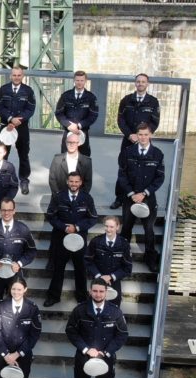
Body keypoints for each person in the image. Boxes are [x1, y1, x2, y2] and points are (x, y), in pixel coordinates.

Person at [65, 279, 129, 378]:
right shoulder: (80, 310)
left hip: (105, 358)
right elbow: (71, 331)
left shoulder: (115, 312)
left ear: (106, 292)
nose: (98, 294)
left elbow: (122, 335)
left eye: (101, 291)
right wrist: (86, 349)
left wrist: (106, 352)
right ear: (90, 291)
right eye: (95, 291)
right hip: (83, 357)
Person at [0, 198, 37, 346]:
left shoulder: (22, 229)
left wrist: (20, 263)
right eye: (3, 210)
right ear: (0, 211)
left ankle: (14, 337)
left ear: (14, 211)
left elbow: (31, 251)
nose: (6, 213)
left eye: (9, 210)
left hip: (14, 276)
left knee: (15, 306)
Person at [44, 173, 98, 307]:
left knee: (80, 268)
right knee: (58, 268)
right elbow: (51, 215)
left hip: (79, 240)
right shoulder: (58, 197)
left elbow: (93, 218)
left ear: (80, 183)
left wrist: (78, 227)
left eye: (76, 182)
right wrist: (64, 227)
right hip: (61, 238)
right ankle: (53, 296)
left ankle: (81, 297)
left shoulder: (87, 198)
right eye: (71, 181)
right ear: (67, 182)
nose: (74, 184)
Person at [118, 123, 164, 272]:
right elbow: (122, 175)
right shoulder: (128, 152)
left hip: (148, 199)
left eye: (146, 134)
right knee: (126, 228)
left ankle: (150, 258)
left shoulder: (157, 154)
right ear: (136, 135)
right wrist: (131, 194)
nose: (143, 137)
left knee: (149, 230)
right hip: (129, 198)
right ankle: (123, 257)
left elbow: (159, 178)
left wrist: (144, 193)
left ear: (151, 135)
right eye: (140, 134)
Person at [112, 73, 161, 209]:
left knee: (147, 170)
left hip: (144, 139)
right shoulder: (126, 100)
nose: (140, 84)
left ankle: (146, 197)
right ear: (135, 83)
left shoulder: (153, 101)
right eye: (138, 81)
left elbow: (155, 121)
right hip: (129, 140)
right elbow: (120, 120)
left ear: (147, 84)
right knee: (124, 168)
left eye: (143, 82)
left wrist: (143, 135)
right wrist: (130, 135)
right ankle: (119, 198)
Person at [0, 65, 35, 195]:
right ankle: (1, 179)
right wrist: (11, 118)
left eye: (19, 75)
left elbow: (30, 108)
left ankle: (24, 180)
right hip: (6, 126)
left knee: (23, 155)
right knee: (2, 153)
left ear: (22, 76)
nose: (16, 77)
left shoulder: (28, 91)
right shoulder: (3, 90)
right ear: (11, 76)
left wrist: (19, 120)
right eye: (14, 75)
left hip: (22, 128)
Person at [86, 216, 133, 308]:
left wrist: (111, 277)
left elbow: (127, 267)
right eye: (106, 226)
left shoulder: (124, 244)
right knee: (94, 307)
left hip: (114, 282)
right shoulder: (95, 241)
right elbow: (88, 262)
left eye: (111, 227)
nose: (108, 229)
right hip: (97, 281)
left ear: (117, 227)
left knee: (114, 309)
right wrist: (99, 276)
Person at [55, 71, 99, 156]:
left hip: (83, 131)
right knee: (65, 156)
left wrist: (79, 125)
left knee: (84, 158)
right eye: (77, 80)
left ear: (85, 81)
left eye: (82, 80)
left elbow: (93, 115)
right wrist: (68, 125)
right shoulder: (65, 96)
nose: (79, 83)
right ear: (74, 81)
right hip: (68, 130)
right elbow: (59, 113)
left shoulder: (91, 97)